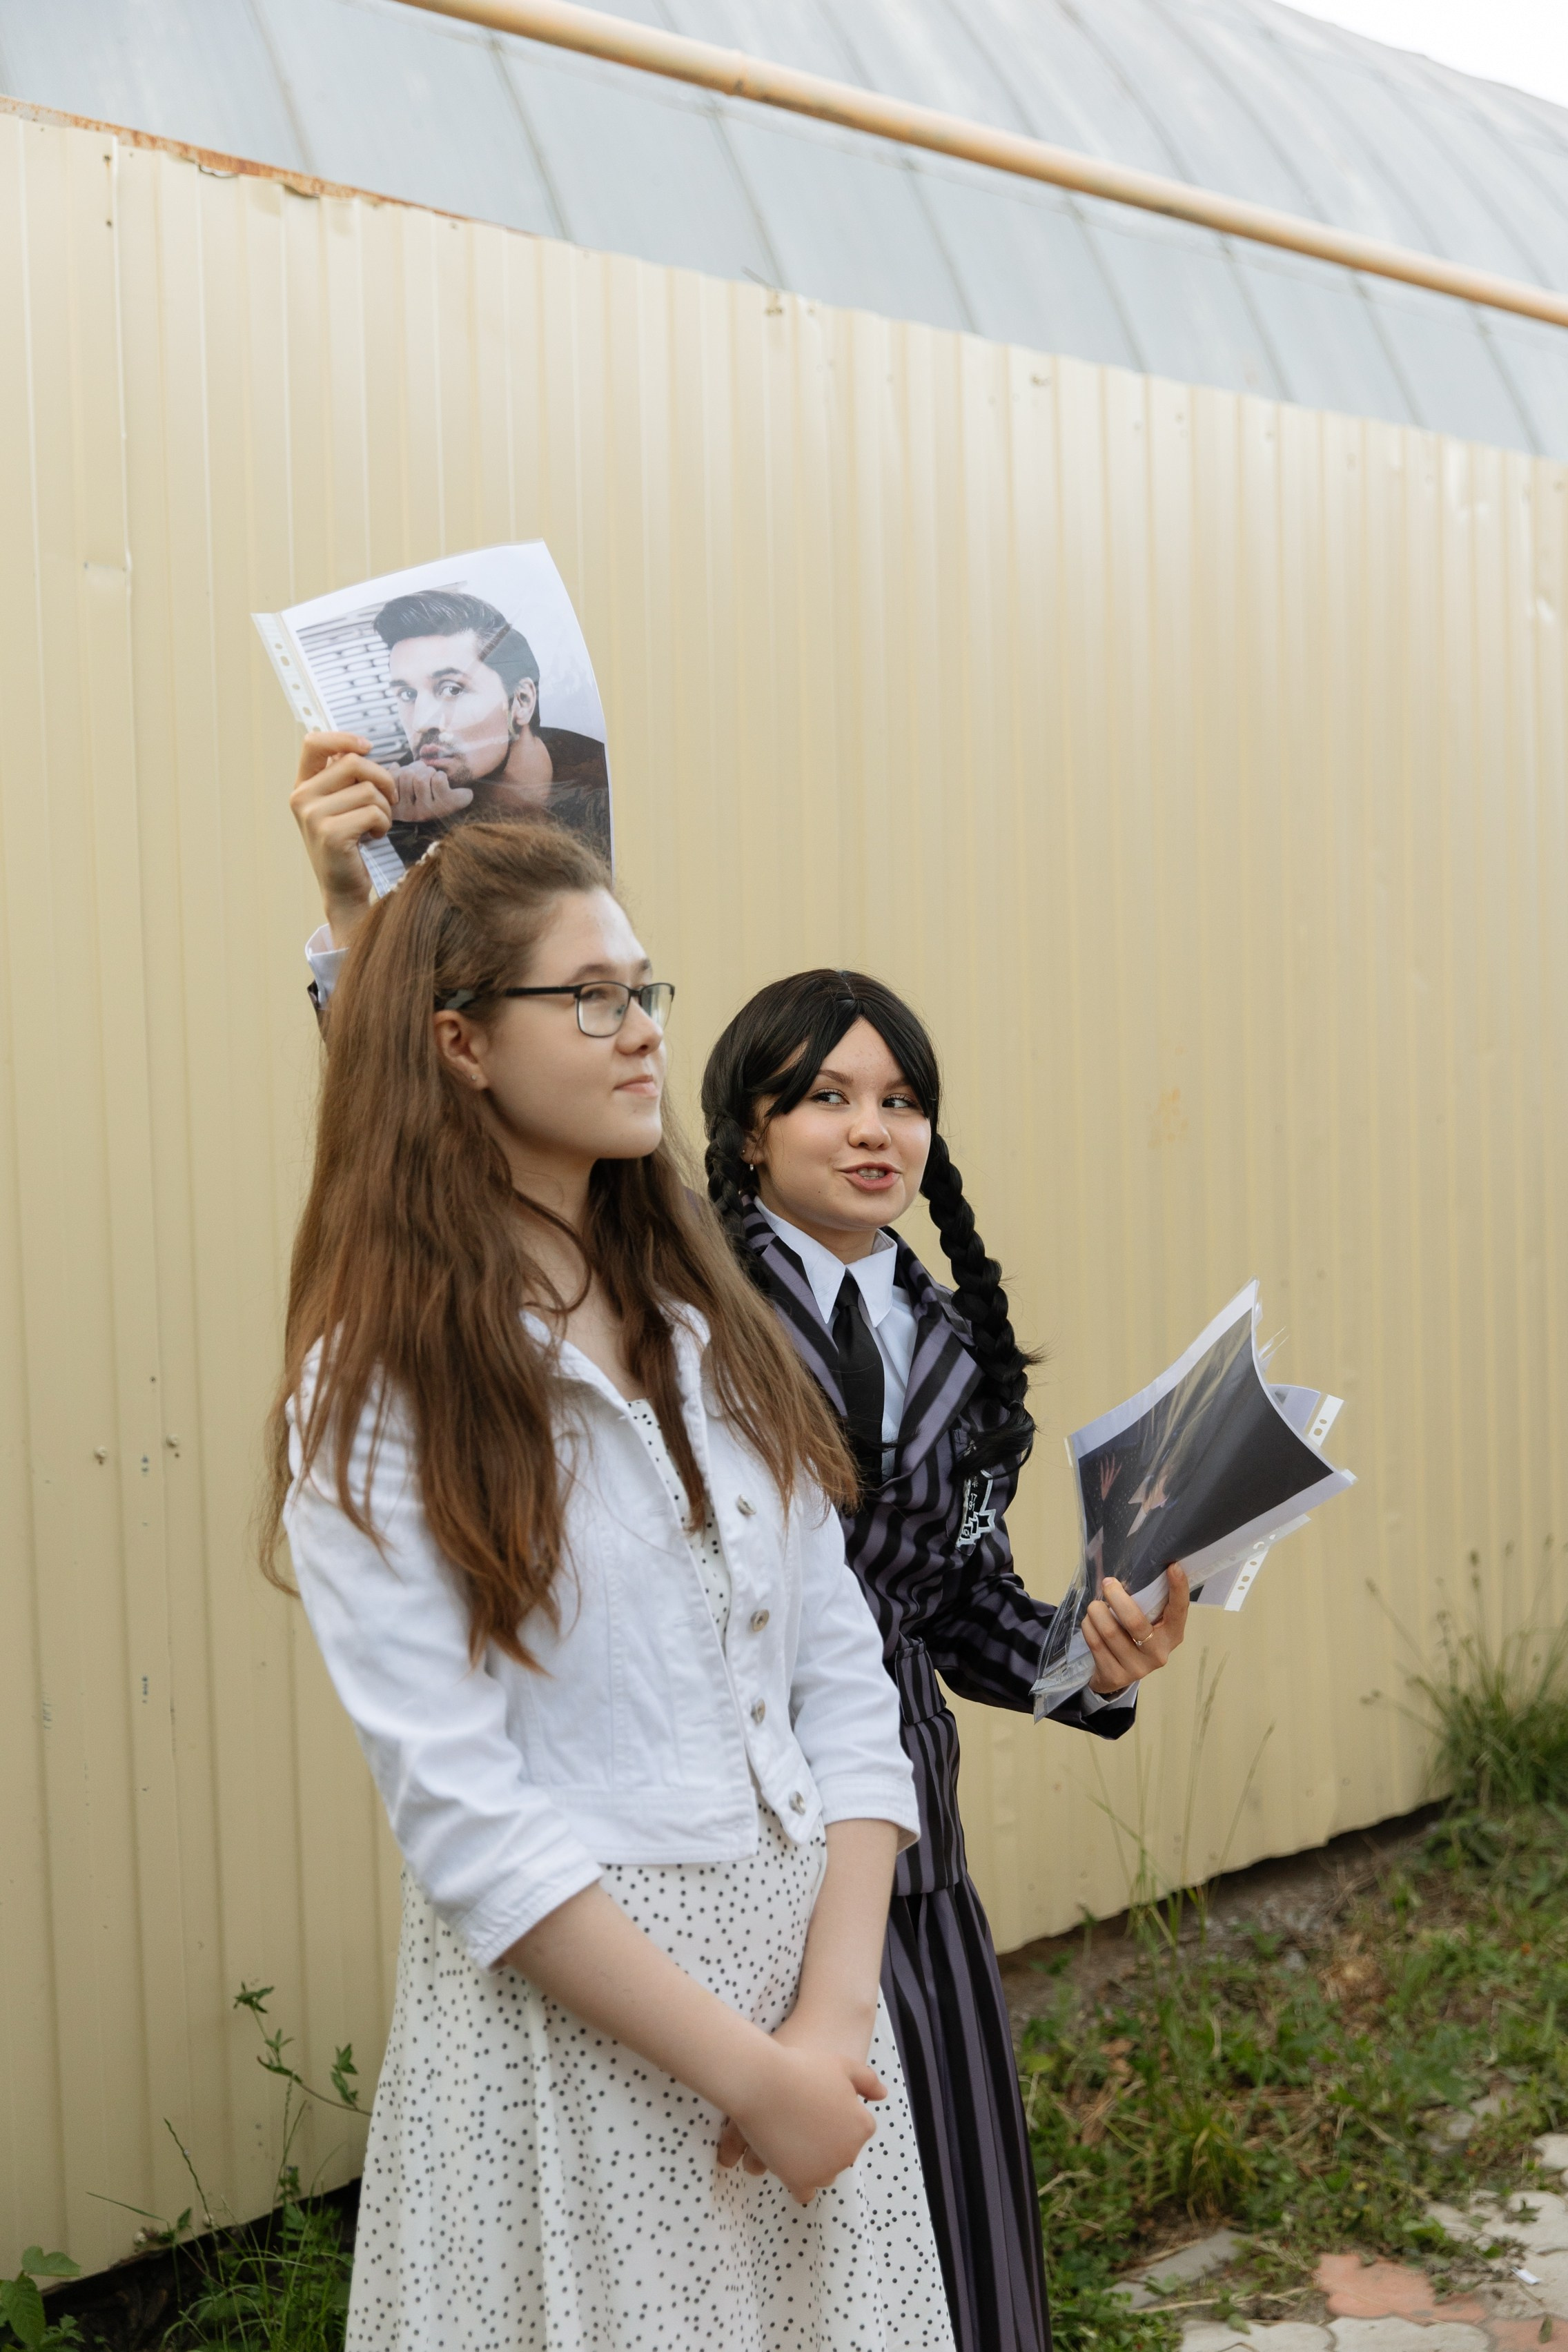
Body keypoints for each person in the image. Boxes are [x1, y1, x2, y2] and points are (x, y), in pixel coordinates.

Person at [263, 821, 954, 2350]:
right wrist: (740, 2070)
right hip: (590, 2050)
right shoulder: (380, 1389)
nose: (643, 1029)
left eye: (645, 988)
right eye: (589, 997)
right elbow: (464, 1813)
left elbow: (845, 1687)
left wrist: (828, 2027)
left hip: (805, 2018)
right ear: (459, 1044)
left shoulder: (709, 1329)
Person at [699, 970, 1191, 2352]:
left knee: (941, 2205)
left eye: (901, 1101)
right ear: (749, 1131)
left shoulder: (957, 1348)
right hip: (716, 1834)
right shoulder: (671, 1312)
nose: (874, 1129)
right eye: (827, 1098)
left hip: (906, 1848)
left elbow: (959, 1607)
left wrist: (1092, 1660)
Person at [371, 588, 611, 863]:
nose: (421, 721)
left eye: (452, 690)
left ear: (521, 700)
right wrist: (412, 837)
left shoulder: (604, 780)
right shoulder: (395, 813)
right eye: (408, 695)